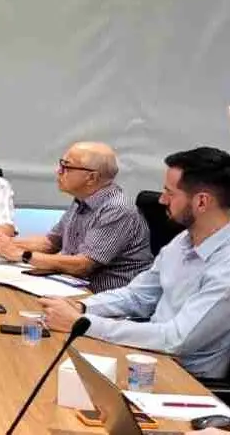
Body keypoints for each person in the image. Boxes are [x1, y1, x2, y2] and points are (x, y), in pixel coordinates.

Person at [40, 147, 230, 378]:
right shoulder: (183, 241)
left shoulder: (225, 267)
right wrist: (81, 307)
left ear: (201, 202)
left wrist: (84, 323)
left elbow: (176, 339)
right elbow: (138, 296)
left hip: (187, 379)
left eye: (169, 193)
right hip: (147, 357)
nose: (161, 199)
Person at [0, 142, 152, 292]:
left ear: (92, 177)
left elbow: (83, 265)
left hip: (103, 296)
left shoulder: (117, 209)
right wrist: (1, 243)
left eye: (66, 166)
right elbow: (50, 243)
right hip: (73, 285)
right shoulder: (82, 199)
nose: (59, 171)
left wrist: (22, 255)